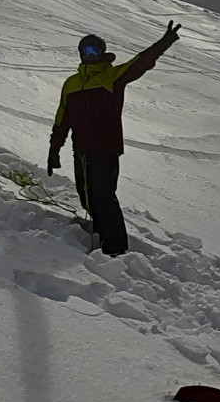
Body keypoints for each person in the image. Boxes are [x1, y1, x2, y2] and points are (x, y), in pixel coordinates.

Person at [48, 22, 182, 255]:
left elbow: (141, 62)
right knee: (86, 194)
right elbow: (62, 118)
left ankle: (116, 249)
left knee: (104, 198)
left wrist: (164, 42)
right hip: (80, 150)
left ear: (101, 53)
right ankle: (101, 234)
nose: (90, 55)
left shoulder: (113, 76)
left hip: (105, 150)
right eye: (86, 51)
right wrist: (54, 149)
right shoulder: (72, 83)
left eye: (94, 51)